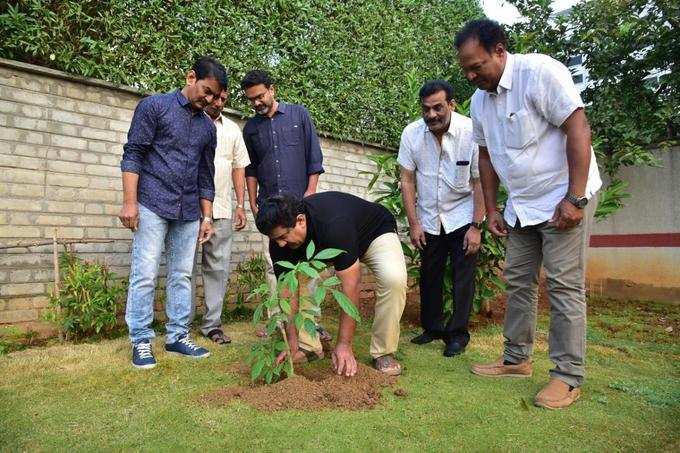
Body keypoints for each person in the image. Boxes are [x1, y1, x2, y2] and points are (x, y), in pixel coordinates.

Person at [455, 19, 602, 409]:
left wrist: (575, 198)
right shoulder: (479, 101)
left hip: (562, 199)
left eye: (477, 66)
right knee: (518, 281)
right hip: (522, 206)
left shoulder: (540, 73)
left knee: (563, 285)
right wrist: (491, 208)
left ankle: (567, 376)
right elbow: (485, 156)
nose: (471, 76)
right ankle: (516, 359)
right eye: (465, 70)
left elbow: (578, 128)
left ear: (500, 51)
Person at [119, 56, 228, 369]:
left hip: (189, 210)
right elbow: (133, 154)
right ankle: (141, 340)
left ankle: (177, 337)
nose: (208, 99)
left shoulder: (209, 128)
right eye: (205, 91)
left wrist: (207, 216)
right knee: (145, 273)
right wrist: (129, 202)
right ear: (191, 77)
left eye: (214, 96)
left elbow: (206, 176)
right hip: (151, 203)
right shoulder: (154, 107)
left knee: (182, 275)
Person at [256, 192, 407, 376]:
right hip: (327, 245)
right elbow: (288, 295)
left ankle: (384, 351)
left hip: (373, 233)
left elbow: (350, 288)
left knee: (394, 279)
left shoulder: (334, 225)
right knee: (298, 281)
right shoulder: (280, 243)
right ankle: (306, 346)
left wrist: (344, 344)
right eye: (275, 239)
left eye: (283, 236)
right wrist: (291, 344)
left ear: (301, 221)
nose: (280, 244)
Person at [241, 69, 329, 355]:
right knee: (275, 267)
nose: (256, 102)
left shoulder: (298, 115)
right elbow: (251, 168)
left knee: (310, 268)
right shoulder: (251, 129)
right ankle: (279, 322)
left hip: (300, 208)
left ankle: (311, 322)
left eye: (260, 95)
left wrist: (311, 193)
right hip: (270, 210)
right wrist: (253, 202)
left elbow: (313, 156)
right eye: (251, 99)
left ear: (272, 89)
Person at [398, 80, 485, 357]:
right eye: (426, 109)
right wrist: (414, 223)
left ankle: (457, 334)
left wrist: (476, 226)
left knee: (463, 278)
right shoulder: (412, 134)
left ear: (451, 104)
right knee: (430, 274)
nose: (432, 115)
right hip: (429, 218)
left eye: (438, 108)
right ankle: (433, 328)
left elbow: (481, 181)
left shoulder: (471, 132)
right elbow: (407, 179)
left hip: (462, 216)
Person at [191, 88, 250, 345]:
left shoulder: (233, 130)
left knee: (218, 269)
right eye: (216, 97)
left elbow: (239, 168)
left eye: (224, 99)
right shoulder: (189, 121)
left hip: (222, 209)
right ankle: (180, 325)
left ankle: (212, 325)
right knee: (183, 269)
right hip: (187, 209)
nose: (219, 103)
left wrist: (240, 204)